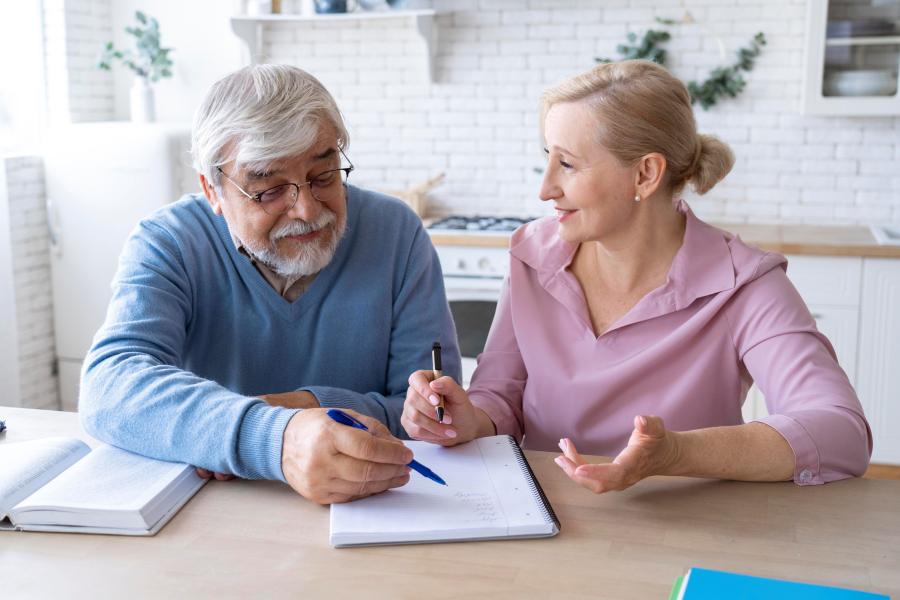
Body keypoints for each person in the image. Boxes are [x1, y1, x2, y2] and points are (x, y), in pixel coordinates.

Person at [402, 60, 871, 494]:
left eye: (567, 164)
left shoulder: (743, 283)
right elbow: (500, 397)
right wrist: (467, 419)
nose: (545, 189)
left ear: (645, 174)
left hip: (683, 525)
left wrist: (676, 454)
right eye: (547, 157)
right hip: (544, 512)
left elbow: (840, 431)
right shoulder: (532, 257)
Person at [80, 64, 461, 504]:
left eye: (323, 176)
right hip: (217, 510)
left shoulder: (396, 232)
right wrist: (274, 436)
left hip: (376, 504)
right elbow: (109, 386)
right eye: (268, 190)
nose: (307, 210)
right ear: (212, 191)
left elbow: (434, 412)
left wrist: (305, 405)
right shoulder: (171, 240)